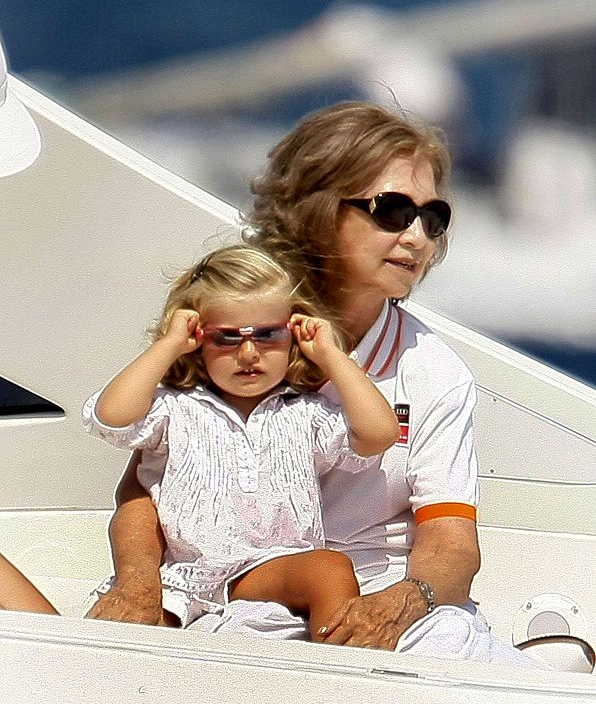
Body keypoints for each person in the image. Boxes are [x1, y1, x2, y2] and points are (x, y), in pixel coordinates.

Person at [85, 101, 533, 664]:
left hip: (378, 594)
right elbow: (147, 487)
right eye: (391, 210)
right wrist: (136, 583)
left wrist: (405, 601)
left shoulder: (434, 374)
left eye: (432, 217)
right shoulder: (241, 334)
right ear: (317, 209)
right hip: (237, 597)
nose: (417, 237)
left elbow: (451, 542)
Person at [1, 244, 400, 641]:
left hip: (268, 569)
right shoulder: (173, 408)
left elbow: (380, 434)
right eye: (226, 338)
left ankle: (339, 678)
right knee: (120, 642)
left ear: (293, 334)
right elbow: (111, 417)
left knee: (328, 570)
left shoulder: (306, 413)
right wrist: (169, 344)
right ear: (198, 338)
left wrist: (331, 356)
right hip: (182, 577)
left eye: (268, 335)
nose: (248, 352)